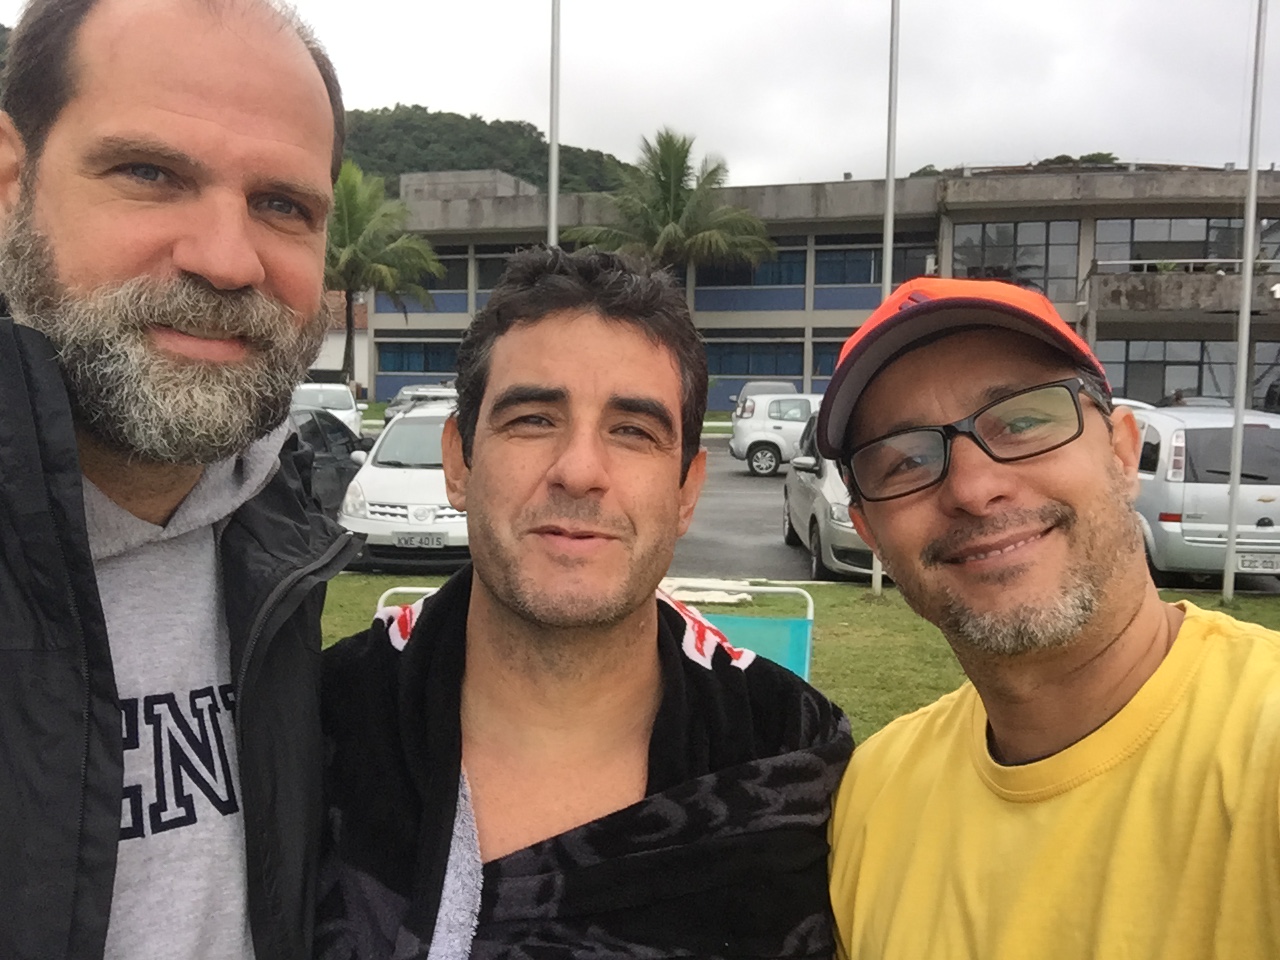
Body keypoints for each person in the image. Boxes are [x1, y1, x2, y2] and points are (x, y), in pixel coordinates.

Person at [317, 247, 853, 959]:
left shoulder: (792, 765)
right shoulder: (311, 730)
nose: (578, 470)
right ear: (458, 461)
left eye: (633, 431)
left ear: (688, 490)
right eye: (533, 419)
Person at [0, 0, 356, 957]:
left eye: (283, 206)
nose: (228, 261)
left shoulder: (279, 542)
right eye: (150, 174)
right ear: (9, 184)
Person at [817, 277, 1280, 959]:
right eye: (907, 460)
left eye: (1023, 422)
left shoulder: (1262, 749)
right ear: (869, 532)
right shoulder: (874, 794)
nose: (974, 488)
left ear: (1122, 453)